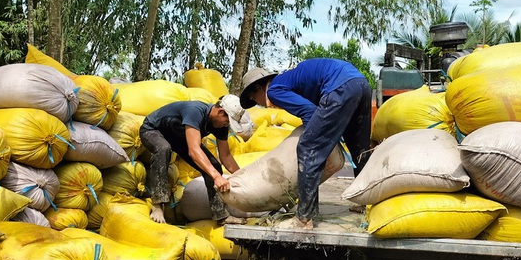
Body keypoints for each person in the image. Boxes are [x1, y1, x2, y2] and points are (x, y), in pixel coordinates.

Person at [239, 58, 372, 229]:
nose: (260, 105)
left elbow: (309, 112)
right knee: (359, 148)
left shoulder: (274, 90)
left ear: (258, 87)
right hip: (360, 83)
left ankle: (304, 218)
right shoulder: (289, 80)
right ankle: (367, 203)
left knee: (308, 147)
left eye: (255, 99)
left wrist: (319, 138)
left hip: (340, 86)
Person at [139, 94, 247, 225]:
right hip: (153, 130)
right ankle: (157, 205)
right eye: (227, 120)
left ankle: (221, 215)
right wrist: (216, 177)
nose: (227, 124)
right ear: (221, 112)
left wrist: (243, 177)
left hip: (177, 137)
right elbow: (194, 150)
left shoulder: (221, 125)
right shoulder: (196, 111)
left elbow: (226, 156)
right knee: (163, 148)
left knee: (214, 165)